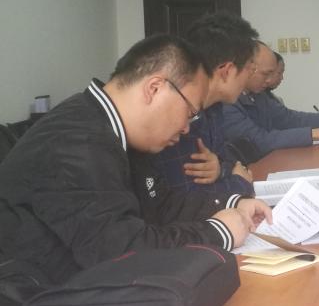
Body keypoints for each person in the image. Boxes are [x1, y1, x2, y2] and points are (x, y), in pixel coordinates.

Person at [0, 35, 270, 287]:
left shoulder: (115, 128)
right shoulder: (78, 142)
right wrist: (218, 232)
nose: (186, 128)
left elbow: (160, 204)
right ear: (154, 88)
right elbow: (121, 255)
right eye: (189, 112)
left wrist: (231, 204)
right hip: (35, 302)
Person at [155, 12, 260, 207]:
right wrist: (239, 183)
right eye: (249, 69)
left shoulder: (215, 107)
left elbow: (227, 161)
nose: (249, 78)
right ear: (227, 71)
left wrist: (222, 170)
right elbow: (186, 201)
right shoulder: (180, 118)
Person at [223, 42, 319, 160]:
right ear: (245, 67)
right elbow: (259, 141)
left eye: (272, 74)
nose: (269, 80)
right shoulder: (227, 103)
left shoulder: (258, 95)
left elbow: (288, 119)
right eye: (265, 74)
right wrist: (314, 134)